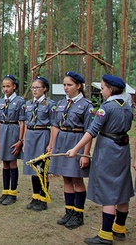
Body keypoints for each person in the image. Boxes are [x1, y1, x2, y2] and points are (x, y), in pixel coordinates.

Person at [67, 74, 134, 244]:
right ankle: (119, 227)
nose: (101, 92)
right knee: (122, 187)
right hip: (123, 149)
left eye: (103, 88)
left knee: (109, 191)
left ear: (110, 89)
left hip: (108, 151)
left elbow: (92, 130)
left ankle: (105, 234)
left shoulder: (107, 107)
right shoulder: (127, 106)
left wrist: (76, 149)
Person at [49, 71, 93, 230]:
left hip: (77, 141)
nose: (66, 88)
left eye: (69, 85)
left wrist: (85, 154)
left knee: (76, 179)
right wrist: (52, 145)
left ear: (78, 86)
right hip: (62, 141)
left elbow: (89, 131)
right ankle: (69, 210)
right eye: (64, 85)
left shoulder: (86, 105)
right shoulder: (61, 103)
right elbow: (55, 125)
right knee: (66, 178)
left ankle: (78, 214)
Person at [23, 76, 55, 211]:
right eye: (33, 88)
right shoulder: (29, 104)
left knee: (42, 169)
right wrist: (24, 140)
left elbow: (54, 125)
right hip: (31, 135)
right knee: (32, 168)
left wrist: (51, 144)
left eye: (37, 87)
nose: (34, 90)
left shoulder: (50, 104)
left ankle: (43, 198)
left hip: (43, 135)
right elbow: (25, 122)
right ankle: (35, 196)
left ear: (45, 89)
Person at [0, 74, 25, 206]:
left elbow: (22, 122)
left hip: (13, 130)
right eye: (4, 87)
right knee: (4, 163)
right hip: (2, 130)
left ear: (14, 86)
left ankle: (12, 193)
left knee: (12, 162)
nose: (5, 89)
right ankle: (5, 191)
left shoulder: (19, 101)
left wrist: (20, 140)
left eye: (8, 86)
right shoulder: (0, 102)